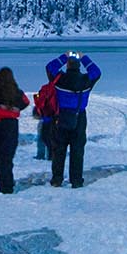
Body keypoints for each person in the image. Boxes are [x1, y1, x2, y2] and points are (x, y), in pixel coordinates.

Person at [46, 50, 101, 188]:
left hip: (61, 116)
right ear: (79, 66)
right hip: (79, 116)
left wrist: (64, 56)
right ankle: (76, 180)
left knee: (59, 149)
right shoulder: (86, 80)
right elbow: (97, 72)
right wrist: (84, 58)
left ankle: (57, 180)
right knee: (77, 150)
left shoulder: (59, 79)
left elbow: (50, 67)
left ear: (67, 66)